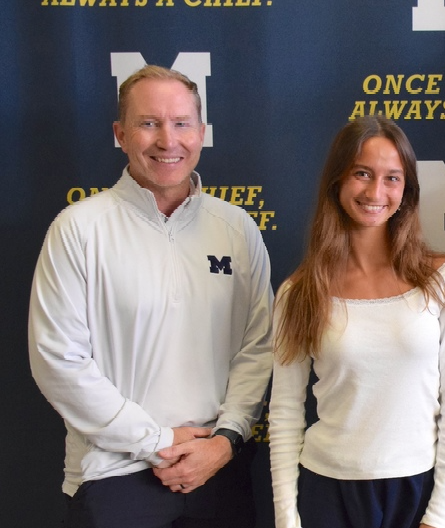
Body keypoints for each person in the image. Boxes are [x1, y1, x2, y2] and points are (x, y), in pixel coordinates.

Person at [27, 65, 274, 527]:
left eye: (181, 124)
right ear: (121, 134)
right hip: (113, 477)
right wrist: (155, 439)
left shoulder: (237, 228)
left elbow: (257, 348)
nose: (168, 140)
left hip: (218, 473)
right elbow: (58, 360)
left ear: (201, 133)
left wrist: (224, 441)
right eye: (149, 123)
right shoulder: (79, 229)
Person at [268, 115, 445, 528]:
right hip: (328, 490)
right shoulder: (300, 292)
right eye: (362, 173)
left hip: (415, 489)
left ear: (407, 189)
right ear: (338, 182)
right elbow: (286, 413)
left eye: (392, 178)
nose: (376, 191)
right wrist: (287, 518)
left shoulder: (444, 280)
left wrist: (441, 515)